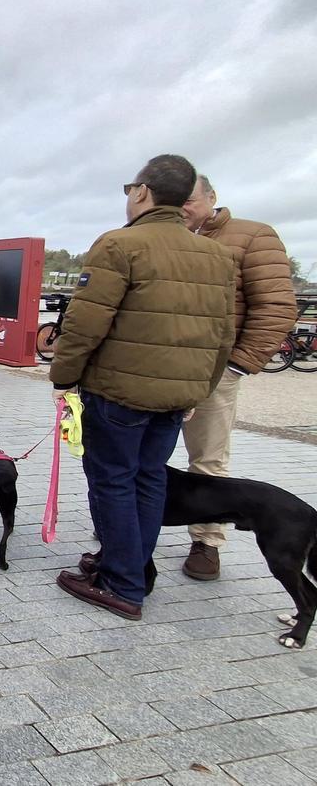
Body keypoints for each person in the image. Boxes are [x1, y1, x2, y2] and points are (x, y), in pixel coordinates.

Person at [49, 154, 235, 621]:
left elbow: (85, 325)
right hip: (176, 397)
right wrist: (199, 391)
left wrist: (63, 378)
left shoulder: (120, 244)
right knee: (149, 479)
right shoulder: (216, 255)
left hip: (118, 393)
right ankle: (132, 567)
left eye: (130, 188)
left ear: (142, 192)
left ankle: (122, 584)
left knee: (112, 481)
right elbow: (222, 335)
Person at [177, 174, 297, 579]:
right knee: (142, 455)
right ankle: (130, 525)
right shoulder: (162, 237)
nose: (181, 207)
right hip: (158, 367)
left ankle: (206, 540)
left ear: (211, 197)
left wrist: (238, 364)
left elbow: (276, 306)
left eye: (189, 199)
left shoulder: (253, 236)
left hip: (215, 369)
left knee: (208, 459)